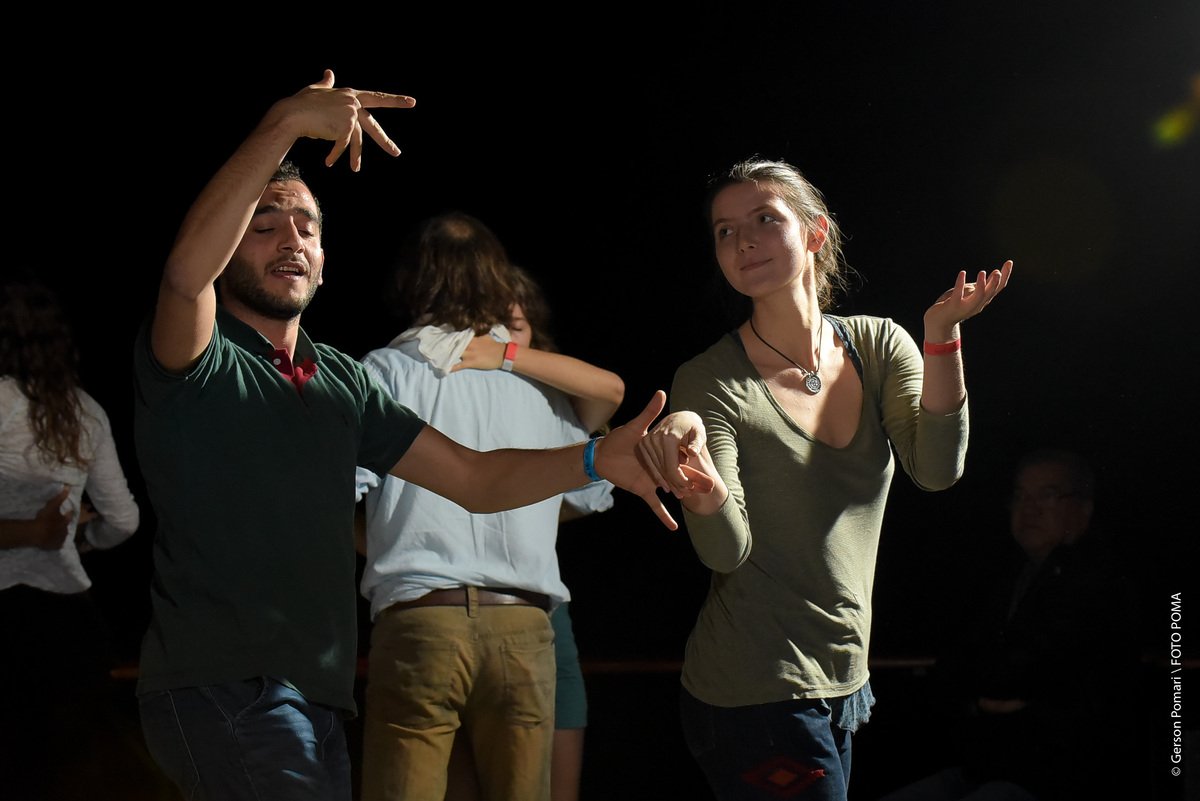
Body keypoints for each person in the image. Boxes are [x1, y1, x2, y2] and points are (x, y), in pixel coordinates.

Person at [132, 70, 701, 801]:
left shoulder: (344, 380)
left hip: (319, 695)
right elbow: (185, 277)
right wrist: (284, 124)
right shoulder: (200, 359)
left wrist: (595, 457)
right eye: (264, 223)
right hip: (224, 686)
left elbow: (473, 478)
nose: (291, 238)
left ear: (326, 260)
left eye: (307, 225)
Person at [636, 157, 1013, 801]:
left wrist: (942, 334)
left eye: (764, 219)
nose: (742, 241)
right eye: (725, 231)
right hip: (754, 688)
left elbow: (937, 470)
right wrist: (704, 488)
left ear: (816, 232)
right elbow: (726, 550)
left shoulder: (879, 346)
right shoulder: (710, 379)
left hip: (843, 679)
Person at [354, 214, 623, 801]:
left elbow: (334, 498)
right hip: (522, 627)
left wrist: (388, 531)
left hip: (421, 620)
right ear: (498, 280)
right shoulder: (540, 387)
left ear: (411, 279)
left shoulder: (382, 372)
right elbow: (588, 492)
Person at [877, 448, 1137, 801]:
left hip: (1057, 777)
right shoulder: (1008, 575)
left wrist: (992, 690)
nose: (1029, 509)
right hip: (987, 767)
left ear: (1084, 507)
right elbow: (955, 665)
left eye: (1047, 495)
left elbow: (1026, 674)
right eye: (1020, 496)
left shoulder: (1099, 582)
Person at [1, 275, 142, 799]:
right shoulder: (84, 410)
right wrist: (79, 541)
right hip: (65, 618)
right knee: (66, 775)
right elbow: (123, 519)